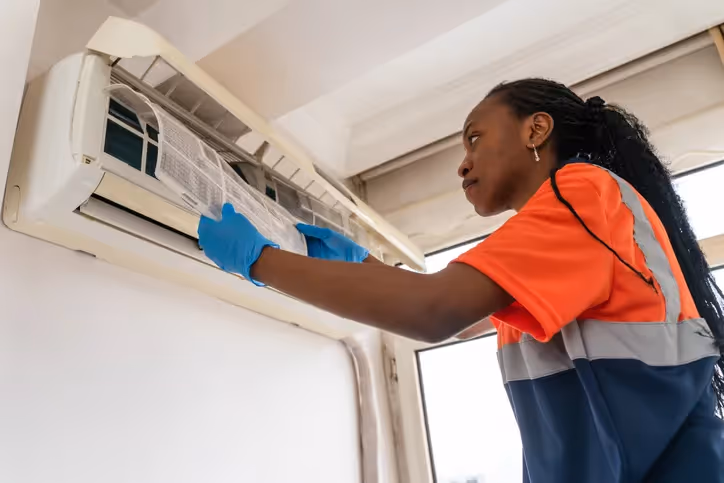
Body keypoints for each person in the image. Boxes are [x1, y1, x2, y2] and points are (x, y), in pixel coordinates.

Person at [198, 78, 724, 482]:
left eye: (474, 139)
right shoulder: (571, 224)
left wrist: (260, 262)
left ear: (536, 130)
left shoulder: (580, 191)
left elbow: (435, 311)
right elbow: (456, 308)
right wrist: (362, 264)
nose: (463, 164)